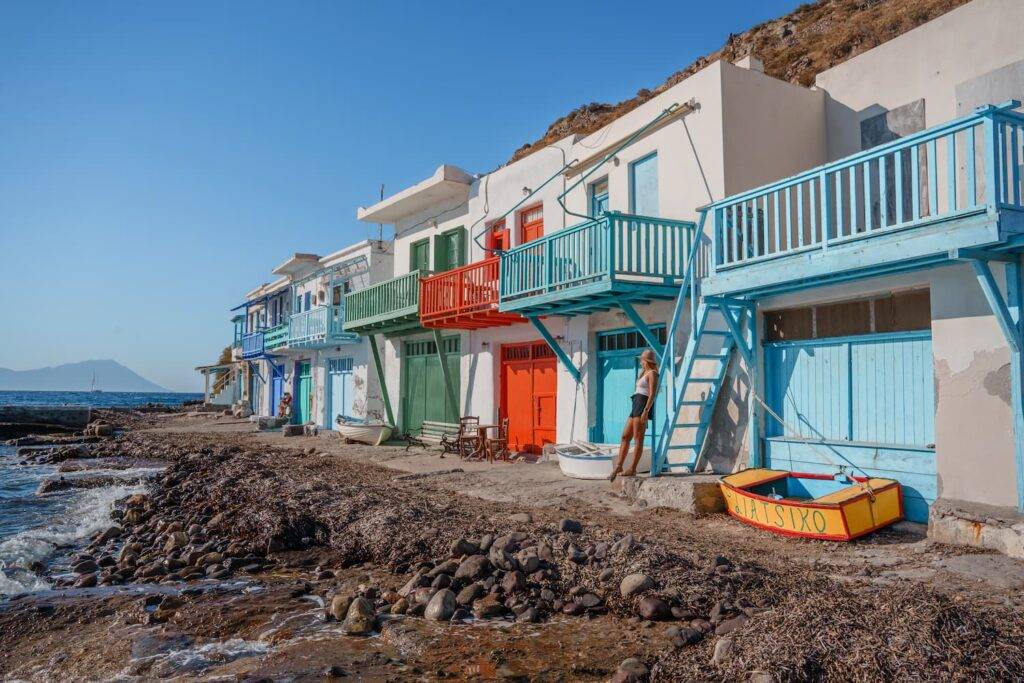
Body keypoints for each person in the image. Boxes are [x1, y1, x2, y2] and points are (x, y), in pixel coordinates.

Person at [610, 348, 658, 481]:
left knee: (638, 439)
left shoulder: (653, 373)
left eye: (642, 360)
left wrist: (646, 411)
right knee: (625, 436)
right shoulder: (644, 373)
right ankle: (619, 465)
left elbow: (652, 394)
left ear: (646, 361)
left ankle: (632, 468)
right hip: (635, 405)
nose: (641, 362)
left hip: (642, 406)